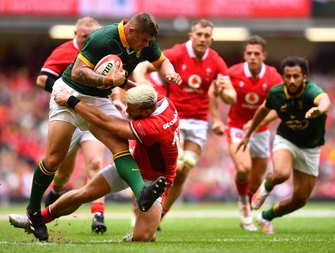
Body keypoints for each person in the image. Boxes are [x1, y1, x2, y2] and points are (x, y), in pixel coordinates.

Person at [23, 12, 182, 241]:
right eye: (144, 40)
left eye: (149, 42)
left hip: (99, 98)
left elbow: (162, 61)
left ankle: (142, 194)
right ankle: (33, 210)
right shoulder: (103, 39)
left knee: (120, 145)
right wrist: (110, 82)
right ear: (131, 31)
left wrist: (170, 74)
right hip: (69, 93)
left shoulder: (145, 40)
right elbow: (78, 72)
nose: (147, 45)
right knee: (54, 159)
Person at [9, 85, 179, 242]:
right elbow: (139, 87)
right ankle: (37, 220)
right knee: (85, 194)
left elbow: (108, 124)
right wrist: (121, 81)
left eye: (131, 110)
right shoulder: (163, 102)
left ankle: (143, 228)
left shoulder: (153, 128)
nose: (126, 112)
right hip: (134, 164)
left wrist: (72, 101)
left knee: (143, 237)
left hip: (156, 180)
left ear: (146, 112)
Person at [132, 19, 236, 226]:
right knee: (175, 168)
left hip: (198, 123)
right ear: (191, 36)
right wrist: (142, 80)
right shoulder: (178, 53)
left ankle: (159, 215)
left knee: (184, 172)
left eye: (207, 36)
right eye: (199, 35)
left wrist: (226, 93)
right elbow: (142, 65)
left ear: (211, 40)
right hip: (174, 119)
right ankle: (142, 213)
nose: (203, 39)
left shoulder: (216, 61)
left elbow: (231, 96)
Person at [237, 56, 331, 234]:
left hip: (311, 148)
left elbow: (325, 100)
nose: (292, 80)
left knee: (300, 199)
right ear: (283, 77)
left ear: (304, 77)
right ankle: (265, 188)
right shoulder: (277, 93)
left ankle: (266, 216)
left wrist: (320, 109)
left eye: (296, 76)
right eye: (288, 76)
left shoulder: (311, 91)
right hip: (287, 139)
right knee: (281, 173)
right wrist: (249, 133)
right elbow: (263, 110)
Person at [36, 17, 108, 233]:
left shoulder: (106, 53)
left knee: (95, 162)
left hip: (93, 113)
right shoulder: (64, 51)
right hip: (68, 114)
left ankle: (98, 214)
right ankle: (56, 190)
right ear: (76, 34)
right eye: (84, 36)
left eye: (92, 36)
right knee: (63, 170)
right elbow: (41, 79)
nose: (88, 39)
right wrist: (64, 93)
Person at [210, 35, 282, 231]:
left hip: (261, 130)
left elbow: (279, 108)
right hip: (236, 127)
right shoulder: (232, 73)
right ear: (244, 55)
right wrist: (216, 119)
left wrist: (258, 122)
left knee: (257, 179)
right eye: (249, 53)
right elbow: (213, 91)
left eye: (256, 54)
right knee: (244, 169)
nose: (252, 57)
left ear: (264, 55)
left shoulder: (274, 77)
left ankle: (246, 204)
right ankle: (244, 207)